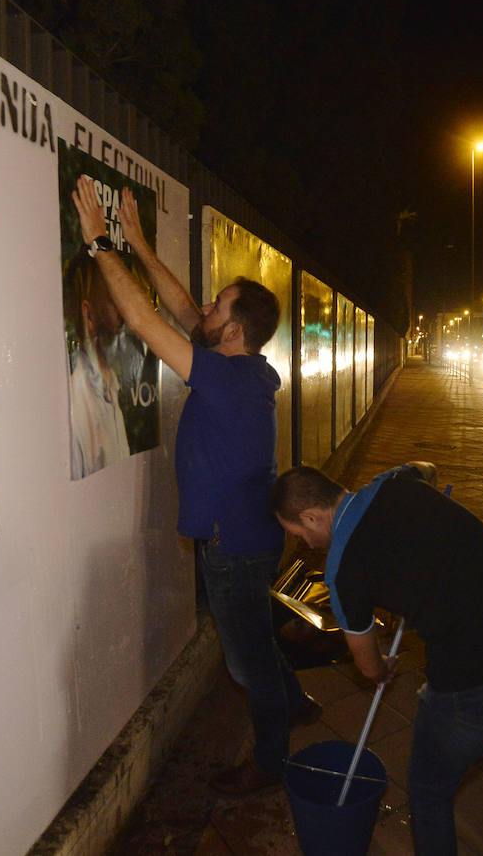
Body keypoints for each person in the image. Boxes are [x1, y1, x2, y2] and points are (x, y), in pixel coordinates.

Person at [70, 175, 316, 796]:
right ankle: (297, 702)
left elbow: (151, 326)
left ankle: (269, 762)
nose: (203, 311)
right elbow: (180, 311)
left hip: (233, 546)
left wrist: (101, 244)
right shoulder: (245, 368)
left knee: (245, 660)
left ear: (231, 332)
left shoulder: (227, 382)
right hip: (255, 535)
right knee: (260, 634)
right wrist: (141, 245)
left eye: (216, 309)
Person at [271, 463, 483, 856]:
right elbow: (426, 469)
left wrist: (385, 668)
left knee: (428, 791)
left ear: (311, 515)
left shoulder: (343, 572)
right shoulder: (394, 482)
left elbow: (368, 666)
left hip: (474, 680)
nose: (306, 543)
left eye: (300, 533)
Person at [63, 247, 129, 478]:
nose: (127, 312)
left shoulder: (110, 386)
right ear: (88, 315)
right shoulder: (75, 403)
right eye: (115, 299)